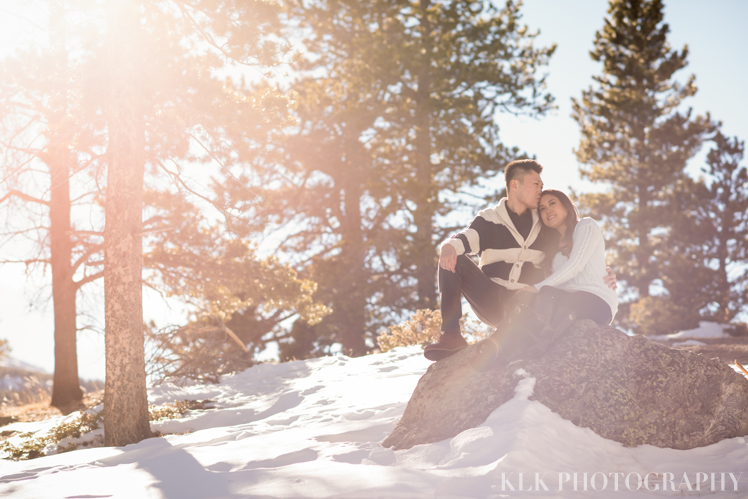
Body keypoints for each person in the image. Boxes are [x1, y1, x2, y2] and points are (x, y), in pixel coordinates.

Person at [424, 159, 616, 361]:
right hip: (490, 299)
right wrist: (449, 246)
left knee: (532, 297)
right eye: (536, 185)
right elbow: (465, 238)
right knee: (453, 257)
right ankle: (451, 335)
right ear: (515, 185)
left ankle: (503, 344)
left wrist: (604, 272)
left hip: (525, 303)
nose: (540, 191)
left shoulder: (545, 226)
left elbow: (573, 257)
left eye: (542, 186)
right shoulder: (489, 219)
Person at [471, 189, 618, 368]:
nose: (547, 210)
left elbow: (576, 265)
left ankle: (540, 345)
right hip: (567, 299)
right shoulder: (551, 250)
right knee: (532, 298)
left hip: (597, 300)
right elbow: (552, 281)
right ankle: (497, 345)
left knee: (546, 293)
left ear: (566, 206)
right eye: (542, 208)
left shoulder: (586, 226)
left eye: (552, 203)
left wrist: (537, 288)